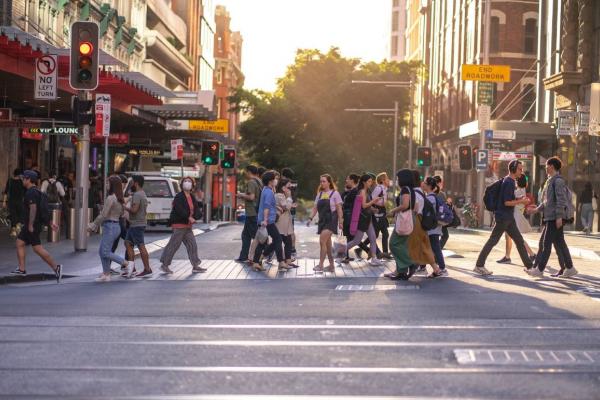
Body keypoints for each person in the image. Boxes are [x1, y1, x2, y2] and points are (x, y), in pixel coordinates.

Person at [474, 160, 534, 275]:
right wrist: (521, 201)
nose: (521, 172)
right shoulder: (509, 182)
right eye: (520, 169)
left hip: (508, 217)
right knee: (493, 241)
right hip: (504, 217)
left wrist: (518, 200)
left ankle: (530, 267)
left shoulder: (509, 181)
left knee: (519, 241)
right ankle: (479, 265)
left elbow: (507, 200)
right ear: (513, 169)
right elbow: (506, 202)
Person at [526, 157, 577, 278]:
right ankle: (570, 268)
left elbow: (561, 200)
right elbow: (547, 201)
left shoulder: (558, 181)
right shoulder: (550, 180)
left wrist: (559, 217)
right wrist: (536, 210)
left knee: (545, 244)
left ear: (552, 166)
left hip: (554, 218)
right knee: (560, 243)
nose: (545, 167)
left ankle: (540, 269)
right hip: (551, 217)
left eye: (547, 165)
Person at [10, 170, 62, 282]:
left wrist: (30, 225)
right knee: (22, 243)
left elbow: (33, 209)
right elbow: (42, 210)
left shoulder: (31, 193)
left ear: (29, 180)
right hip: (35, 224)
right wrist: (50, 223)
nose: (22, 180)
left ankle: (55, 267)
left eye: (24, 178)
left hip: (32, 224)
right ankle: (22, 269)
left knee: (37, 248)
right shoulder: (37, 192)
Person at [160, 177, 206, 275]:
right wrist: (189, 218)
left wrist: (196, 217)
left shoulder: (192, 197)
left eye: (189, 181)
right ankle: (164, 265)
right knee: (173, 245)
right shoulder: (179, 197)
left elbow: (196, 210)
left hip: (188, 226)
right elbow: (179, 210)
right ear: (182, 184)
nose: (187, 183)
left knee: (192, 245)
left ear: (192, 185)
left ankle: (195, 266)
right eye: (185, 181)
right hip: (179, 225)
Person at [88, 176, 130, 282]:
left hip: (110, 226)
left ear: (113, 185)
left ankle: (125, 263)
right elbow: (123, 214)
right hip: (115, 226)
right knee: (102, 251)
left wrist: (93, 225)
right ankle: (106, 274)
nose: (106, 185)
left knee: (105, 252)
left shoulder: (111, 198)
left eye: (108, 183)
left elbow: (103, 214)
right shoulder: (119, 198)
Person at [335, 174, 383, 267]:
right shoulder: (362, 191)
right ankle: (339, 256)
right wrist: (374, 201)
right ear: (364, 182)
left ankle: (374, 259)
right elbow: (364, 205)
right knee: (356, 241)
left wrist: (373, 209)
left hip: (368, 218)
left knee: (373, 238)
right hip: (362, 220)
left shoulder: (367, 191)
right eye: (369, 181)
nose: (371, 183)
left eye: (371, 181)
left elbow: (367, 206)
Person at [252, 171, 289, 272]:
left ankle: (256, 262)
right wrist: (265, 220)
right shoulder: (269, 192)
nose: (276, 181)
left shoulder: (266, 189)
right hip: (267, 221)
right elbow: (266, 207)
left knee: (262, 242)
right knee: (277, 239)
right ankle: (281, 262)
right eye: (275, 179)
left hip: (266, 220)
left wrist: (276, 206)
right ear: (270, 181)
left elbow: (267, 205)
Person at [307, 174, 344, 272]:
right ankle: (331, 266)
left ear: (329, 182)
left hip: (331, 221)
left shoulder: (335, 193)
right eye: (321, 181)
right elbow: (315, 208)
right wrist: (310, 218)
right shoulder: (319, 194)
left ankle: (320, 265)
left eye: (324, 181)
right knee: (327, 245)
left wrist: (341, 221)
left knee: (322, 241)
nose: (322, 183)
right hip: (322, 221)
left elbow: (339, 209)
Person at [408, 171, 442, 278]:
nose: (423, 184)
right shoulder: (424, 195)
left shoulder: (428, 197)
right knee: (425, 247)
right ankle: (434, 268)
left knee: (428, 247)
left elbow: (417, 209)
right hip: (425, 225)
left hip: (423, 224)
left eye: (425, 183)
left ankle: (439, 267)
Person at [496, 174, 536, 264]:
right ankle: (507, 256)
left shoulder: (519, 191)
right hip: (514, 215)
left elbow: (510, 200)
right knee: (509, 237)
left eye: (516, 180)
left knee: (517, 238)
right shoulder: (521, 190)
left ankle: (532, 254)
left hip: (514, 216)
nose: (515, 181)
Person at [386, 169, 417, 280]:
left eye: (398, 178)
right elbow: (415, 206)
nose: (397, 180)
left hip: (404, 219)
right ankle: (401, 272)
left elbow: (404, 205)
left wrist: (392, 211)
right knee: (401, 245)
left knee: (393, 244)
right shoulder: (411, 190)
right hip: (409, 218)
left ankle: (411, 263)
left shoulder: (405, 190)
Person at [124, 175, 152, 278]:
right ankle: (131, 268)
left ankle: (147, 269)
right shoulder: (142, 193)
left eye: (131, 183)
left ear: (135, 183)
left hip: (137, 224)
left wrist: (124, 207)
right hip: (135, 224)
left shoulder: (137, 195)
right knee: (127, 243)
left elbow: (134, 210)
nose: (130, 185)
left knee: (141, 246)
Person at [361, 172, 392, 260]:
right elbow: (372, 199)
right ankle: (362, 247)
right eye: (387, 178)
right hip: (377, 213)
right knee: (377, 234)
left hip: (382, 212)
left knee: (384, 234)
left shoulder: (384, 189)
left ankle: (385, 253)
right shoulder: (379, 189)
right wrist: (375, 209)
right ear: (382, 180)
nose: (388, 180)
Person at [235, 165, 262, 263]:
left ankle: (266, 252)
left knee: (257, 236)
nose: (245, 174)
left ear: (249, 172)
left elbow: (251, 197)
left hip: (252, 213)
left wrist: (240, 195)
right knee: (245, 235)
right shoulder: (259, 181)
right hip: (255, 212)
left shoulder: (251, 182)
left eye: (246, 172)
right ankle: (243, 257)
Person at [423, 177, 448, 276]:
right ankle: (424, 266)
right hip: (434, 227)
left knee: (435, 248)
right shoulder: (431, 197)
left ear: (429, 186)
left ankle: (441, 268)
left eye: (425, 183)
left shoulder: (430, 198)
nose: (423, 184)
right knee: (431, 248)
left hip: (432, 228)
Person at [273, 178, 297, 268]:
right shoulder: (279, 195)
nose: (290, 189)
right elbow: (286, 207)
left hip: (285, 223)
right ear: (283, 188)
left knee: (288, 241)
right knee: (277, 242)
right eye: (288, 187)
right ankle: (262, 255)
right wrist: (290, 198)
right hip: (281, 223)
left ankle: (288, 260)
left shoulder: (283, 195)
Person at [340, 173, 360, 263]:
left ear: (352, 180)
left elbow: (350, 204)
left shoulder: (355, 191)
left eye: (347, 179)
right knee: (348, 236)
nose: (346, 180)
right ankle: (346, 256)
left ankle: (342, 254)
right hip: (348, 216)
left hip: (350, 217)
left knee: (351, 237)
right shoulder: (351, 191)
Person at [3, 169, 25, 238]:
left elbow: (6, 192)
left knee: (13, 215)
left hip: (11, 201)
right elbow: (24, 192)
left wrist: (4, 201)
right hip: (19, 201)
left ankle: (14, 231)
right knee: (19, 215)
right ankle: (17, 227)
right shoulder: (21, 182)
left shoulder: (9, 181)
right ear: (19, 175)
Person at [281, 167, 298, 256]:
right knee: (292, 228)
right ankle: (293, 247)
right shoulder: (295, 184)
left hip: (288, 207)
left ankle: (290, 248)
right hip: (293, 208)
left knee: (288, 229)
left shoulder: (287, 185)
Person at [433, 175, 450, 249]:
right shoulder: (441, 194)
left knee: (435, 237)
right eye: (441, 183)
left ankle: (435, 252)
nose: (442, 184)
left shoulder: (429, 192)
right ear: (439, 183)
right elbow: (443, 207)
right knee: (445, 236)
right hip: (439, 218)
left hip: (431, 218)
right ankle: (436, 252)